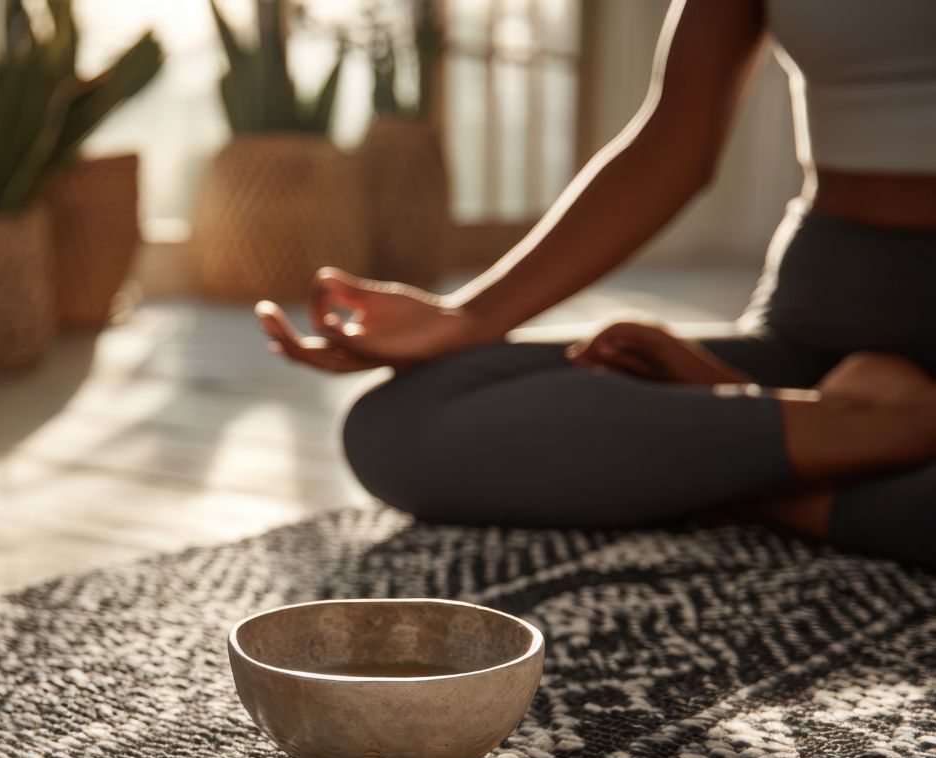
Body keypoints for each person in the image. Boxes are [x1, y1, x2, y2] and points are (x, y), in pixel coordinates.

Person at [255, 0, 936, 569]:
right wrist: (466, 318)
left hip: (857, 379)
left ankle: (807, 472)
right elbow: (675, 138)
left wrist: (738, 431)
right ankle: (858, 434)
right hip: (825, 314)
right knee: (404, 425)